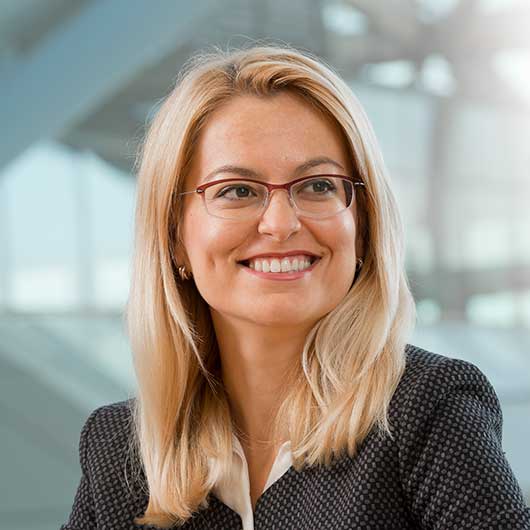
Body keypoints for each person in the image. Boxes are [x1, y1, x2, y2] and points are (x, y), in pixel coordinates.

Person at [61, 43, 530, 530]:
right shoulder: (119, 451)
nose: (281, 223)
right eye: (237, 191)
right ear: (175, 238)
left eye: (318, 186)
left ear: (362, 225)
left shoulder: (426, 410)